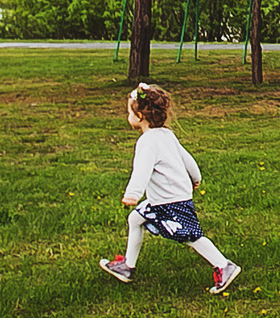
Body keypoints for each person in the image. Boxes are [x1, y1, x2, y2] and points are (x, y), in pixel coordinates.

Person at [99, 83, 241, 294]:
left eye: (129, 111)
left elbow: (142, 170)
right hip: (165, 199)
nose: (127, 115)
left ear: (139, 115)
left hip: (170, 201)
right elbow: (188, 159)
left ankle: (224, 266)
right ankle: (127, 266)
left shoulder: (147, 141)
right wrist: (196, 177)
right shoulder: (166, 134)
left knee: (190, 236)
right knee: (135, 219)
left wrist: (133, 194)